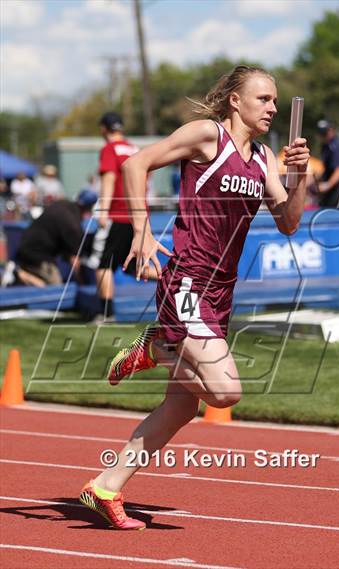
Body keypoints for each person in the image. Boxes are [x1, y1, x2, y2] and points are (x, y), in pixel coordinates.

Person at [79, 65, 310, 530]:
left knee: (183, 406)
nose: (272, 108)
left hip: (221, 290)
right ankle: (157, 346)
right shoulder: (207, 136)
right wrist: (141, 233)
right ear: (235, 101)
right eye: (263, 99)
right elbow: (134, 164)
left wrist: (299, 174)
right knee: (225, 391)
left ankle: (104, 487)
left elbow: (287, 221)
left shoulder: (264, 158)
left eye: (275, 101)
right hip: (188, 278)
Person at [88, 111, 141, 321]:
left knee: (103, 265)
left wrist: (103, 208)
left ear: (103, 128)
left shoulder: (110, 149)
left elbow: (109, 179)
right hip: (137, 215)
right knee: (137, 267)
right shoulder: (134, 149)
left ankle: (106, 313)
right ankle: (185, 286)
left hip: (117, 214)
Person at [1, 190, 97, 287]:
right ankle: (17, 274)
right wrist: (82, 284)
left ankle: (20, 274)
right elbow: (74, 261)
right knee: (56, 288)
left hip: (24, 248)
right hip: (38, 257)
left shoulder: (61, 203)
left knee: (47, 284)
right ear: (89, 209)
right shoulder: (73, 225)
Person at [316, 120, 339, 209]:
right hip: (332, 194)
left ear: (331, 130)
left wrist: (327, 185)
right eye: (321, 133)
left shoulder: (336, 145)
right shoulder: (325, 146)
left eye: (325, 132)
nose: (323, 135)